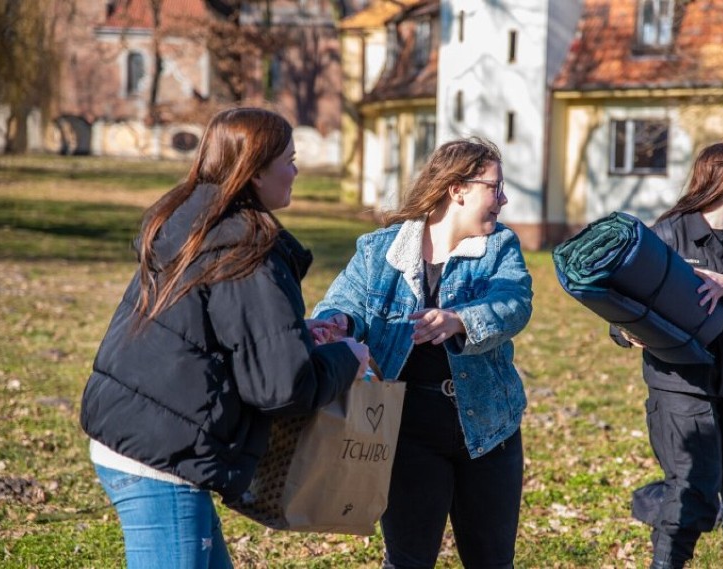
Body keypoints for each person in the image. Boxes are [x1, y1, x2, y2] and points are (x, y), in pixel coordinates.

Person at [79, 107, 369, 568]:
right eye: (289, 160)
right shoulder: (248, 247)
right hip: (162, 457)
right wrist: (346, 358)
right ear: (255, 171)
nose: (296, 171)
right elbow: (281, 386)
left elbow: (226, 332)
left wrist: (298, 335)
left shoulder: (195, 222)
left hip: (139, 437)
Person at [310, 138, 533, 569]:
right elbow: (344, 303)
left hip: (490, 428)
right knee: (408, 561)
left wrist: (460, 320)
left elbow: (515, 303)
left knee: (492, 561)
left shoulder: (501, 247)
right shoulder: (380, 249)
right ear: (458, 189)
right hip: (405, 429)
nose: (503, 199)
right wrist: (339, 321)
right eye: (495, 187)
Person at [612, 137, 723, 569]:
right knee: (690, 491)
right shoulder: (668, 233)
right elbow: (621, 304)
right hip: (679, 384)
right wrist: (625, 332)